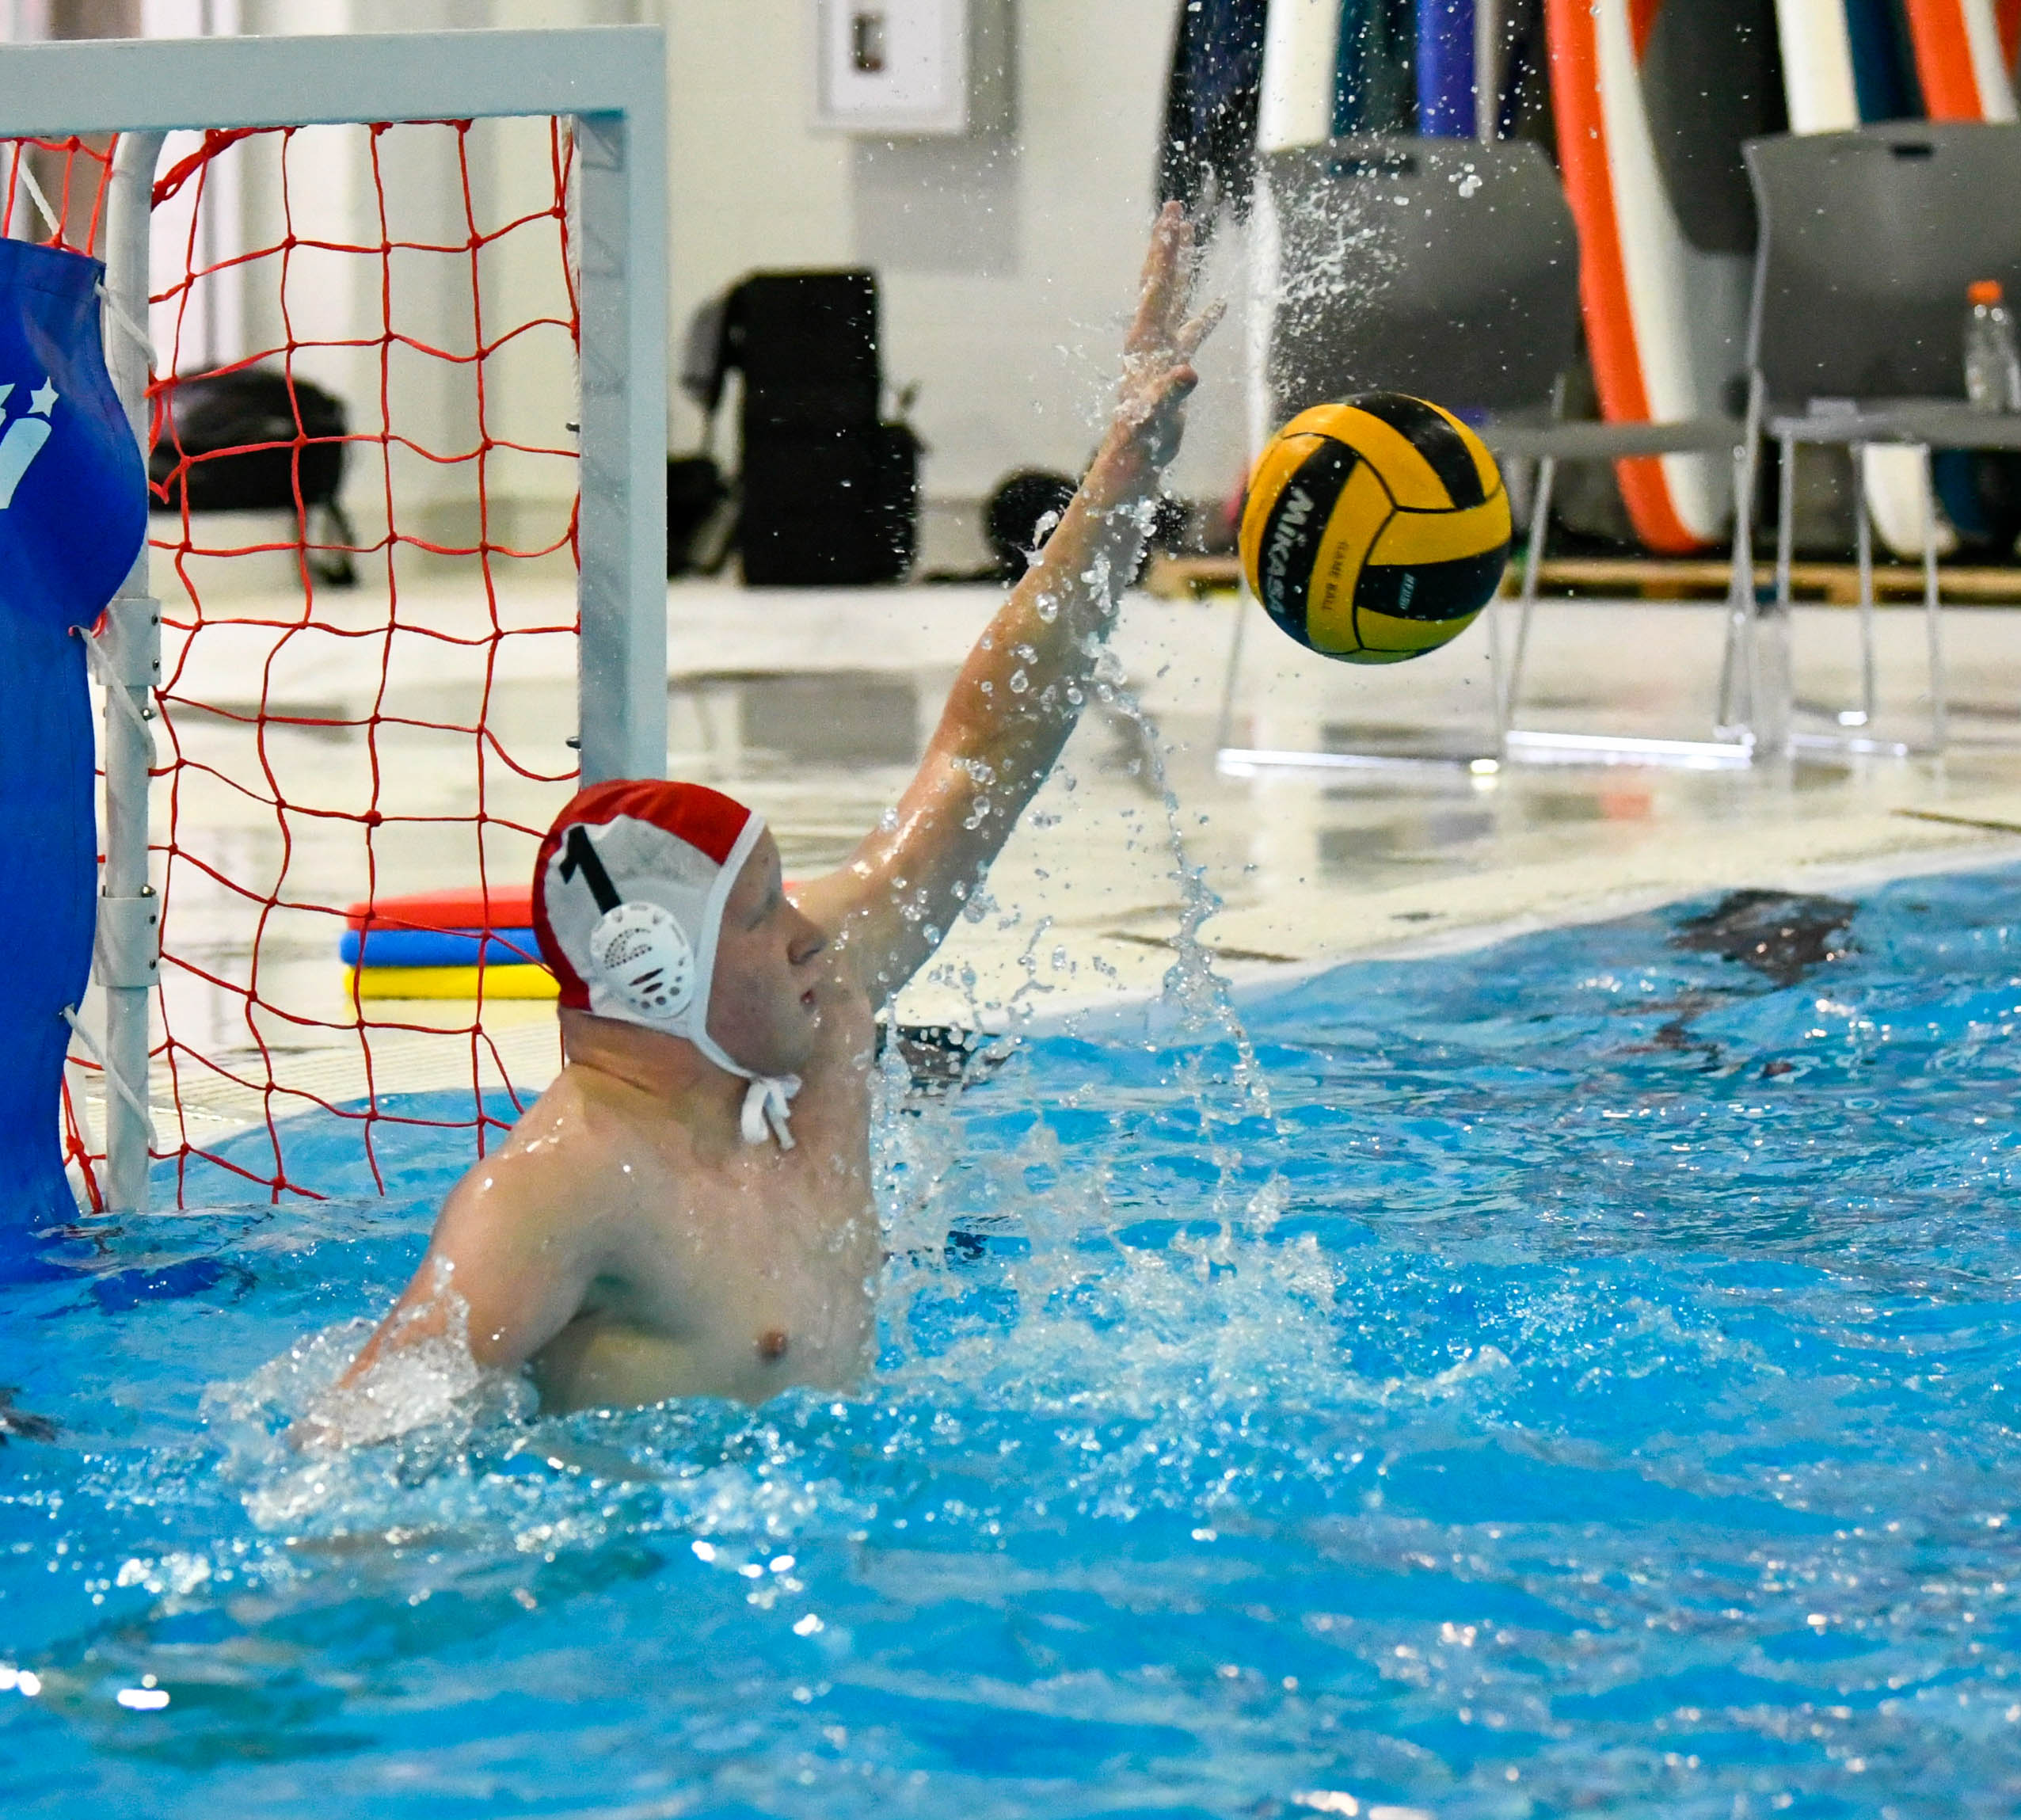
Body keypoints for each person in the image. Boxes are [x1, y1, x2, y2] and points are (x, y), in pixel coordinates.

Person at [317, 205, 1220, 1436]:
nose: (807, 933)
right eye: (760, 913)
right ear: (656, 964)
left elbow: (977, 758)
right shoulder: (560, 1193)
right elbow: (349, 1439)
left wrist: (1123, 479)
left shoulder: (802, 1008)